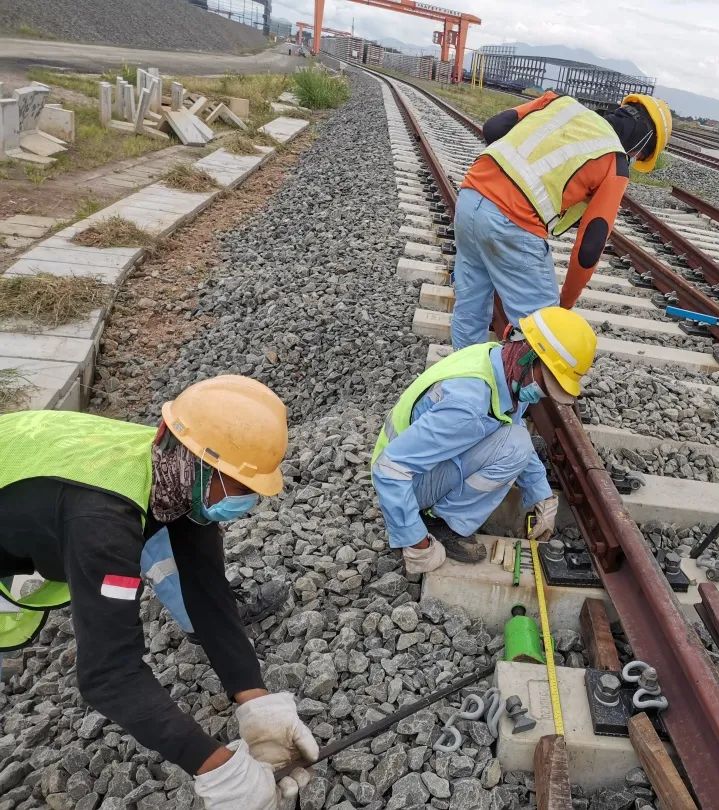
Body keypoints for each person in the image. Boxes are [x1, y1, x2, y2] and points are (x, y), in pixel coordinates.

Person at [0, 376, 318, 809]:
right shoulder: (103, 525)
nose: (243, 501)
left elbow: (207, 591)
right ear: (198, 463)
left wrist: (257, 704)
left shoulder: (179, 476)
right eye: (238, 486)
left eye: (251, 490)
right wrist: (217, 769)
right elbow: (108, 674)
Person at [372, 307, 597, 573]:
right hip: (408, 484)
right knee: (516, 445)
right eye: (546, 384)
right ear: (528, 356)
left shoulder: (500, 363)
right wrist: (416, 543)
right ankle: (441, 522)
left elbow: (508, 428)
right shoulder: (468, 406)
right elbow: (389, 469)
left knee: (517, 440)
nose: (542, 394)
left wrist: (541, 495)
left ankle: (440, 513)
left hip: (418, 467)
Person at [450, 91, 673, 348]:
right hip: (513, 222)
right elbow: (589, 248)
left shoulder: (559, 102)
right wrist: (564, 304)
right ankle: (522, 386)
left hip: (470, 196)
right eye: (642, 156)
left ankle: (464, 382)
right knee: (544, 334)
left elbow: (493, 128)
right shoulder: (615, 161)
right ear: (644, 141)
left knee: (469, 310)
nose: (636, 160)